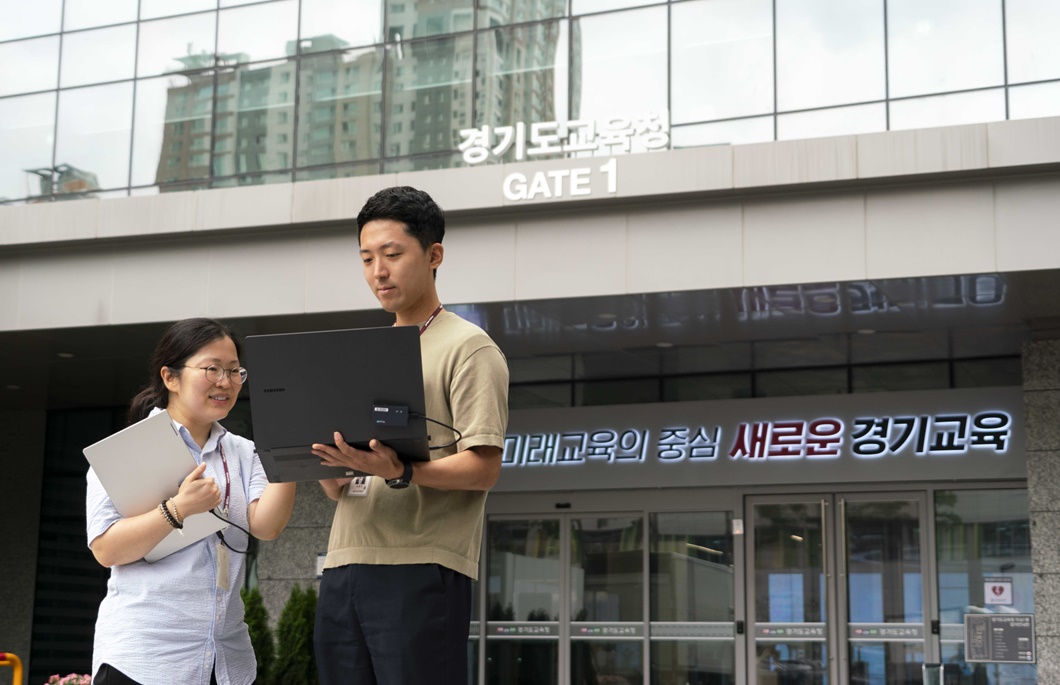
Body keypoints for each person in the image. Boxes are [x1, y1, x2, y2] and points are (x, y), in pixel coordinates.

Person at [311, 186, 510, 685]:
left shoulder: (469, 347)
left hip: (421, 566)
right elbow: (342, 482)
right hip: (343, 562)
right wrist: (334, 469)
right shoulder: (365, 353)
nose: (379, 271)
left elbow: (483, 467)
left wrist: (403, 471)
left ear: (434, 254)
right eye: (367, 258)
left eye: (393, 255)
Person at [86, 317, 297, 685]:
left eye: (234, 371)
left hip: (224, 660)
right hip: (143, 659)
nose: (226, 382)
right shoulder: (127, 448)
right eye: (212, 369)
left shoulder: (244, 452)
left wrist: (291, 455)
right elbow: (107, 549)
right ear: (170, 377)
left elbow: (266, 525)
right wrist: (177, 510)